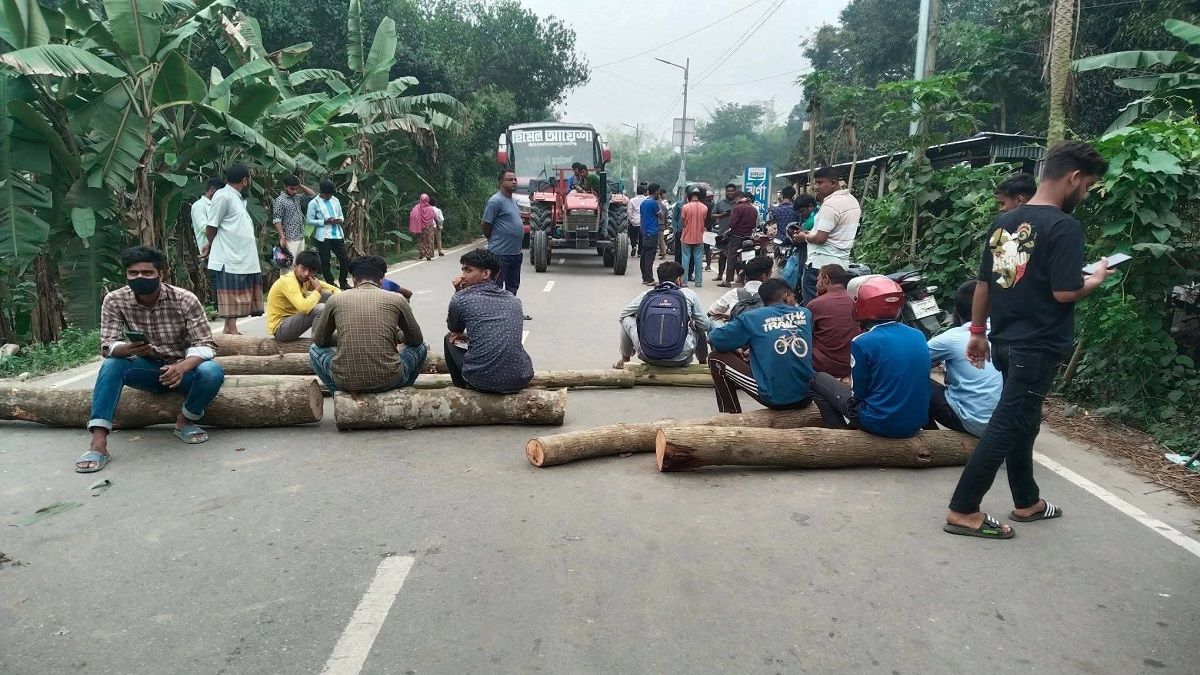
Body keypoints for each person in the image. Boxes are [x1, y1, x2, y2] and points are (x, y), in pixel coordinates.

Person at [945, 140, 1111, 540]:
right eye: (1086, 185)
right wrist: (1097, 278)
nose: (1084, 194)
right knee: (1008, 423)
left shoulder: (1004, 221)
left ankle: (1027, 501)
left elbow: (984, 284)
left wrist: (978, 332)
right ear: (1073, 178)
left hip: (1004, 341)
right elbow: (1064, 292)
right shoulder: (1064, 226)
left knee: (1024, 421)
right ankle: (963, 508)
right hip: (1036, 345)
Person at [76, 246, 225, 473]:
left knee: (212, 373)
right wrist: (128, 348)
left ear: (160, 275)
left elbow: (206, 345)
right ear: (126, 275)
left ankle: (185, 420)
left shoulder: (185, 300)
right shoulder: (114, 300)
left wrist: (181, 366)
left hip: (184, 370)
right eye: (133, 273)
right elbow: (108, 345)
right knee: (111, 365)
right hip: (146, 369)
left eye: (147, 273)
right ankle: (99, 443)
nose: (140, 277)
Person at [808, 275, 931, 438]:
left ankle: (840, 434)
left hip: (879, 423)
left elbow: (859, 392)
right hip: (915, 423)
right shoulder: (918, 334)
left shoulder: (862, 342)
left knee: (818, 380)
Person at [309, 255, 428, 394]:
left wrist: (343, 336)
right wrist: (396, 334)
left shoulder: (335, 300)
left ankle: (339, 394)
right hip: (390, 379)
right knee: (422, 347)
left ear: (353, 278)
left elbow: (320, 341)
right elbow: (416, 340)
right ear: (382, 278)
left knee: (314, 349)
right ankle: (401, 390)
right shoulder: (397, 299)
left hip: (345, 380)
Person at [707, 279, 815, 414]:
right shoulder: (805, 313)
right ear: (787, 296)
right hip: (808, 395)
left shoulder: (752, 317)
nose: (795, 300)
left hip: (776, 399)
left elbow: (713, 339)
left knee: (715, 358)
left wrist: (736, 348)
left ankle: (731, 416)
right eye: (794, 296)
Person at [445, 249, 535, 393]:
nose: (463, 276)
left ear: (486, 274)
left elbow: (454, 328)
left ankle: (462, 389)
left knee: (449, 338)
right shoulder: (514, 300)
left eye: (468, 271)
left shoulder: (461, 298)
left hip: (482, 380)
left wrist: (458, 292)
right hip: (521, 377)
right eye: (463, 270)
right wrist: (468, 337)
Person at [926, 280, 1001, 435]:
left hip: (973, 422)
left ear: (958, 311)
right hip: (1006, 424)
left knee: (917, 382)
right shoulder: (1008, 333)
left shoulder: (953, 338)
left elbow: (909, 359)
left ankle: (932, 441)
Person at [614, 261, 711, 368]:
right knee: (697, 322)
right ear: (678, 279)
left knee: (626, 318)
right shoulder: (688, 294)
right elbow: (705, 325)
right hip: (682, 356)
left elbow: (623, 314)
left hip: (648, 355)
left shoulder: (648, 294)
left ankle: (625, 360)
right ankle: (703, 363)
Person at [203, 164, 264, 335]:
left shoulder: (236, 197)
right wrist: (211, 243)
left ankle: (228, 329)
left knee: (237, 290)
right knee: (230, 291)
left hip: (241, 254)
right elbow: (211, 226)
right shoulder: (223, 196)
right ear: (245, 180)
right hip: (228, 254)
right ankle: (232, 329)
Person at [803, 167, 861, 303]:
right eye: (815, 183)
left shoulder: (830, 204)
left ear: (834, 183)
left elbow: (821, 238)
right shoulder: (853, 201)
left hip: (820, 266)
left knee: (815, 306)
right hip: (841, 265)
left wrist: (804, 237)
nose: (816, 187)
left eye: (820, 182)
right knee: (835, 304)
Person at [482, 170, 529, 319]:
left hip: (515, 253)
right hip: (500, 253)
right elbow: (486, 224)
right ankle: (494, 314)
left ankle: (510, 313)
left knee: (512, 285)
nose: (514, 182)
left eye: (515, 179)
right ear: (501, 182)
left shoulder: (513, 201)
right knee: (496, 285)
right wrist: (491, 238)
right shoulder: (495, 201)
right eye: (509, 179)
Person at [266, 250, 341, 342]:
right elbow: (304, 308)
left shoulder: (306, 279)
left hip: (293, 320)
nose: (306, 274)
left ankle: (332, 332)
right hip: (281, 328)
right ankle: (317, 342)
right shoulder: (289, 281)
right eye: (303, 269)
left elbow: (334, 290)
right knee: (320, 309)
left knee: (330, 296)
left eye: (311, 271)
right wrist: (316, 290)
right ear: (295, 267)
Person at [806, 264, 859, 378]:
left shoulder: (815, 304)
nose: (816, 284)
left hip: (825, 366)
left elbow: (807, 336)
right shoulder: (856, 300)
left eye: (818, 280)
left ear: (826, 280)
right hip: (854, 363)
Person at [307, 179, 351, 290]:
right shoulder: (314, 203)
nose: (329, 196)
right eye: (328, 194)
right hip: (323, 236)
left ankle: (343, 281)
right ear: (322, 192)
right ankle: (330, 283)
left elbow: (341, 215)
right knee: (325, 261)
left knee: (345, 259)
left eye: (331, 194)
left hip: (337, 234)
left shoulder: (335, 200)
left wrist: (339, 220)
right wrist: (324, 221)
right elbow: (309, 220)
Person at [708, 255, 773, 325]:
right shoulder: (774, 295)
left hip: (738, 333)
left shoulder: (733, 293)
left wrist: (731, 317)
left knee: (713, 319)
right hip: (765, 333)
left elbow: (712, 311)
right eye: (770, 274)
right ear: (764, 277)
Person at [718, 192, 760, 287]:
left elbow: (732, 224)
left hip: (737, 236)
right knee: (749, 258)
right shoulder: (754, 209)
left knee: (731, 257)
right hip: (749, 237)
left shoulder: (738, 208)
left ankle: (728, 281)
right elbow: (755, 224)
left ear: (740, 198)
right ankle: (744, 277)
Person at [272, 175, 314, 262]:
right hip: (289, 239)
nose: (294, 191)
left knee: (299, 264)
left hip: (300, 236)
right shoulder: (280, 201)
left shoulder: (297, 197)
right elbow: (277, 220)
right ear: (285, 187)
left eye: (296, 189)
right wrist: (282, 237)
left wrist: (300, 185)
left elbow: (312, 196)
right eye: (292, 189)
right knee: (288, 265)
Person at [679, 187, 708, 288]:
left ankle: (684, 282)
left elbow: (682, 222)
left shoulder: (685, 207)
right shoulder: (704, 208)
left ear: (689, 196)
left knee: (685, 259)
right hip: (699, 237)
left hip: (686, 236)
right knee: (698, 259)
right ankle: (698, 282)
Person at [638, 183, 665, 285]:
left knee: (644, 256)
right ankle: (649, 279)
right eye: (659, 191)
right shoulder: (654, 203)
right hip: (652, 232)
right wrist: (659, 203)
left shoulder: (643, 203)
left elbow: (641, 217)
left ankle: (645, 277)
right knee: (650, 256)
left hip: (645, 232)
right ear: (657, 191)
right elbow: (661, 216)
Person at [191, 178, 224, 252]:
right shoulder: (199, 205)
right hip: (208, 251)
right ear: (212, 189)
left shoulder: (216, 205)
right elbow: (205, 229)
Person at [409, 193, 438, 261]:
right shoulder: (430, 208)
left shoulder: (417, 207)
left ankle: (422, 253)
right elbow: (434, 216)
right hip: (429, 227)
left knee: (420, 240)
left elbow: (412, 216)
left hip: (420, 227)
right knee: (429, 240)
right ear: (428, 200)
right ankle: (429, 255)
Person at [628, 183, 647, 256]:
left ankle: (634, 246)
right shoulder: (646, 199)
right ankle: (640, 252)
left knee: (633, 236)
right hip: (643, 221)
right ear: (644, 192)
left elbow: (629, 211)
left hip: (634, 221)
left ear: (637, 191)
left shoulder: (632, 200)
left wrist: (631, 220)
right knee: (642, 237)